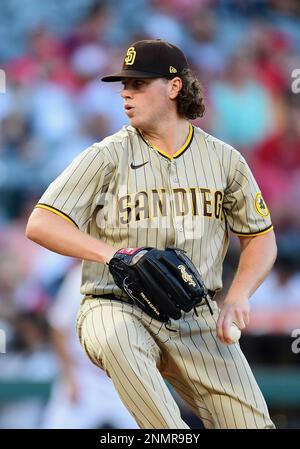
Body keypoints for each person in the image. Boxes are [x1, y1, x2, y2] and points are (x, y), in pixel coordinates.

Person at [26, 39, 277, 429]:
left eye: (139, 84)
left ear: (174, 87)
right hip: (115, 303)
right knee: (115, 337)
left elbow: (260, 237)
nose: (126, 92)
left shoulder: (224, 160)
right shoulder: (106, 155)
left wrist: (239, 295)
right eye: (124, 84)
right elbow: (41, 223)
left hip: (196, 314)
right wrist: (112, 255)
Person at [40, 262, 138, 429]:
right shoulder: (80, 275)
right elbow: (58, 328)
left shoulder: (136, 275)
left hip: (123, 375)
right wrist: (69, 376)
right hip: (84, 376)